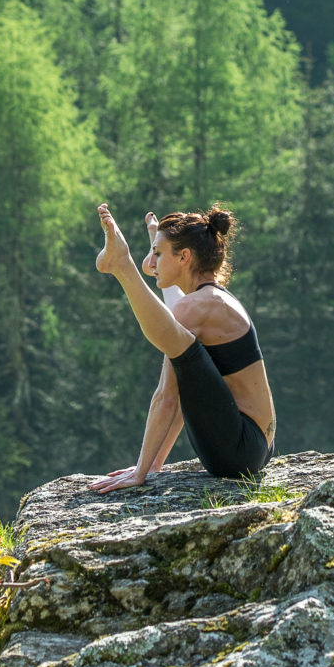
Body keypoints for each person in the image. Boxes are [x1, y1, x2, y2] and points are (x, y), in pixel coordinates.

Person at [90, 202, 276, 490]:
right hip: (254, 448)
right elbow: (190, 389)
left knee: (184, 352)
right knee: (185, 353)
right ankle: (123, 263)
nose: (151, 263)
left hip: (240, 452)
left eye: (158, 253)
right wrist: (153, 466)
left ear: (184, 257)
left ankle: (122, 265)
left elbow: (166, 397)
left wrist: (140, 473)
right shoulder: (211, 301)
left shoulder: (201, 307)